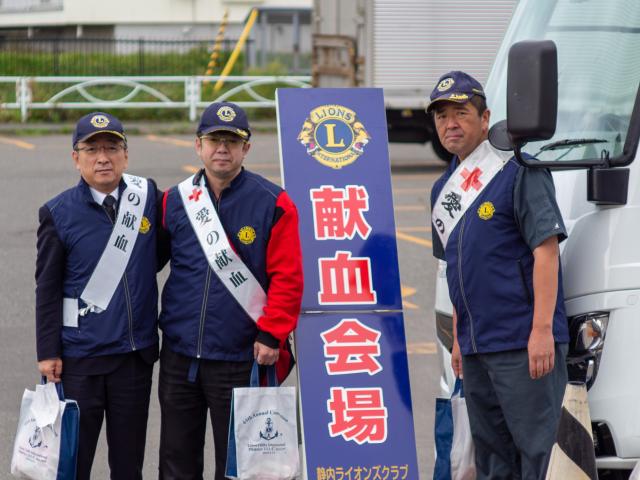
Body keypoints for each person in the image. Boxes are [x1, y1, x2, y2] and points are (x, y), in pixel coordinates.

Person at [428, 71, 569, 480]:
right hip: (475, 348)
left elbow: (546, 251)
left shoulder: (518, 171)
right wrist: (457, 339)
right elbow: (454, 269)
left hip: (523, 343)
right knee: (492, 459)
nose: (450, 124)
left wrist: (542, 330)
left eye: (460, 113)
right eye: (441, 117)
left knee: (538, 454)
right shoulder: (443, 191)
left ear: (485, 118)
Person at [157, 101, 303, 480]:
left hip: (240, 355)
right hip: (180, 353)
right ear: (198, 146)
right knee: (176, 460)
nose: (222, 148)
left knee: (239, 464)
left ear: (246, 148)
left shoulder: (273, 202)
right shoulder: (175, 200)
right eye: (213, 139)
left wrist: (272, 333)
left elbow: (288, 276)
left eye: (232, 140)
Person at [36, 112, 160, 479]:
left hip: (133, 356)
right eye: (91, 149)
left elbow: (161, 253)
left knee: (128, 463)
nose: (102, 157)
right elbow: (47, 287)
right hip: (81, 358)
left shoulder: (148, 197)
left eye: (111, 148)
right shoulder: (58, 213)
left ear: (126, 154)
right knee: (74, 462)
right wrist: (47, 352)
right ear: (76, 157)